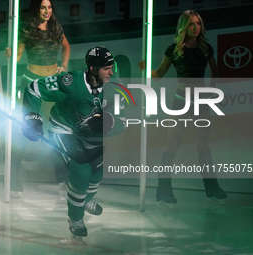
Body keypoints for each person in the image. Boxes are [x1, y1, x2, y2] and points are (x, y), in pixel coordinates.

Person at [21, 46, 125, 238]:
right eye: (106, 68)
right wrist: (33, 117)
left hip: (90, 135)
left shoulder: (115, 87)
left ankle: (84, 201)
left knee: (97, 173)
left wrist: (110, 124)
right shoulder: (70, 82)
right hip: (64, 129)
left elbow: (124, 120)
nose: (112, 72)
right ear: (93, 68)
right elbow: (33, 89)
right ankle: (75, 218)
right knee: (81, 170)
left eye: (112, 67)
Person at [139, 10, 227, 207]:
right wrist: (145, 69)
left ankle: (212, 189)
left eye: (197, 23)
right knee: (172, 146)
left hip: (201, 101)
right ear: (183, 27)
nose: (195, 27)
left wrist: (211, 91)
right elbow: (159, 74)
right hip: (180, 101)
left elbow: (215, 70)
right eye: (191, 24)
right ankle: (163, 192)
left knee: (203, 146)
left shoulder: (205, 48)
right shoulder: (174, 49)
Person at [5, 0, 70, 198]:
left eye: (49, 7)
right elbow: (17, 55)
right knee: (27, 129)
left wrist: (64, 66)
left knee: (55, 129)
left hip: (51, 84)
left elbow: (66, 47)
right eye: (43, 7)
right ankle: (13, 180)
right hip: (32, 83)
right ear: (37, 9)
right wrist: (11, 55)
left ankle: (63, 179)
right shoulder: (27, 29)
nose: (47, 11)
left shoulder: (56, 28)